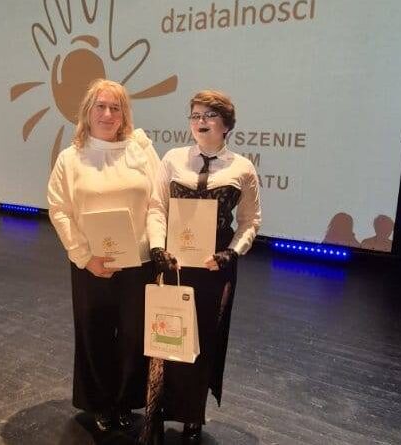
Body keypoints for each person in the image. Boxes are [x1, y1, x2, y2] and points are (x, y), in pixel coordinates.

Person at [146, 90, 261, 443]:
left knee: (203, 340)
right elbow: (156, 208)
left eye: (209, 115)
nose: (201, 121)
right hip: (174, 262)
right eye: (195, 115)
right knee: (167, 337)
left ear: (226, 125)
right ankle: (156, 411)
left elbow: (250, 221)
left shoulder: (242, 168)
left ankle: (192, 414)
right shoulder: (172, 159)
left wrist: (231, 253)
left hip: (214, 267)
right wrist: (157, 247)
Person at [47, 79, 160, 433]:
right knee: (94, 333)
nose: (108, 114)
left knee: (133, 336)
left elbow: (158, 202)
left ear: (124, 114)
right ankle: (99, 402)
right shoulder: (70, 158)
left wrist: (157, 247)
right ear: (87, 111)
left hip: (138, 262)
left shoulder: (141, 151)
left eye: (116, 108)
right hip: (91, 263)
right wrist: (84, 257)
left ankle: (125, 400)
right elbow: (59, 209)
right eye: (101, 106)